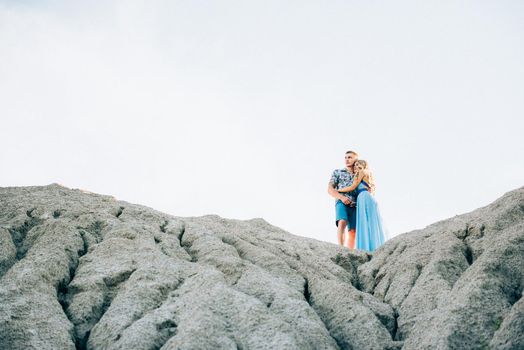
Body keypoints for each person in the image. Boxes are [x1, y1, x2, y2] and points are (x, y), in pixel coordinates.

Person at [337, 159, 386, 251]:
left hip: (363, 197)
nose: (355, 167)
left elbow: (353, 186)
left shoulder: (362, 172)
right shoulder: (368, 173)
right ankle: (373, 246)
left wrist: (339, 190)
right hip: (367, 197)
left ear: (362, 165)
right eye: (355, 165)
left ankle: (366, 248)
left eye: (357, 165)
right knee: (371, 222)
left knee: (365, 221)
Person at [328, 150, 359, 248]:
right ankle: (341, 248)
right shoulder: (338, 172)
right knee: (342, 222)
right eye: (345, 157)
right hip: (341, 201)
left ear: (356, 160)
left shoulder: (358, 174)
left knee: (353, 230)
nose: (347, 160)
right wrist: (341, 197)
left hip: (355, 205)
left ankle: (350, 251)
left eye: (350, 157)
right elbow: (330, 189)